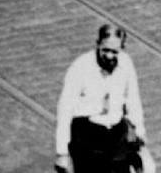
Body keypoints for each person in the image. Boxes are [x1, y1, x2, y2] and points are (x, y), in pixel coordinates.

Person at [55, 25, 147, 173]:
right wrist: (62, 153)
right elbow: (65, 110)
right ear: (97, 44)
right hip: (88, 137)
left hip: (117, 136)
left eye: (114, 51)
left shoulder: (126, 63)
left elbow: (133, 100)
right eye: (105, 50)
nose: (110, 56)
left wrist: (140, 132)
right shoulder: (80, 67)